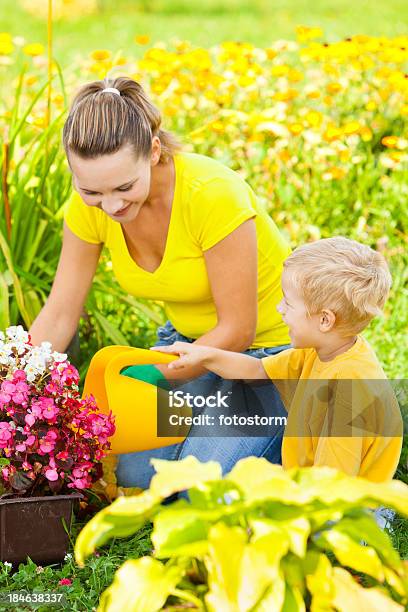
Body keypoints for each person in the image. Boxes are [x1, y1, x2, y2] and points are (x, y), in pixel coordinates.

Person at [29, 76, 292, 489]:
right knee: (135, 477)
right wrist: (22, 381)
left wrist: (157, 376)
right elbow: (61, 312)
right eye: (91, 190)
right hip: (187, 350)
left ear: (153, 151)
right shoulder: (89, 208)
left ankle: (304, 424)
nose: (111, 205)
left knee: (198, 487)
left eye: (124, 187)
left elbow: (239, 329)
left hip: (267, 358)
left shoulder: (211, 194)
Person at [155, 237, 403, 482]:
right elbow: (257, 369)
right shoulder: (322, 349)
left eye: (288, 302)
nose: (279, 308)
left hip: (343, 504)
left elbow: (331, 487)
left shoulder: (348, 393)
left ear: (325, 320)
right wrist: (205, 355)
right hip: (306, 479)